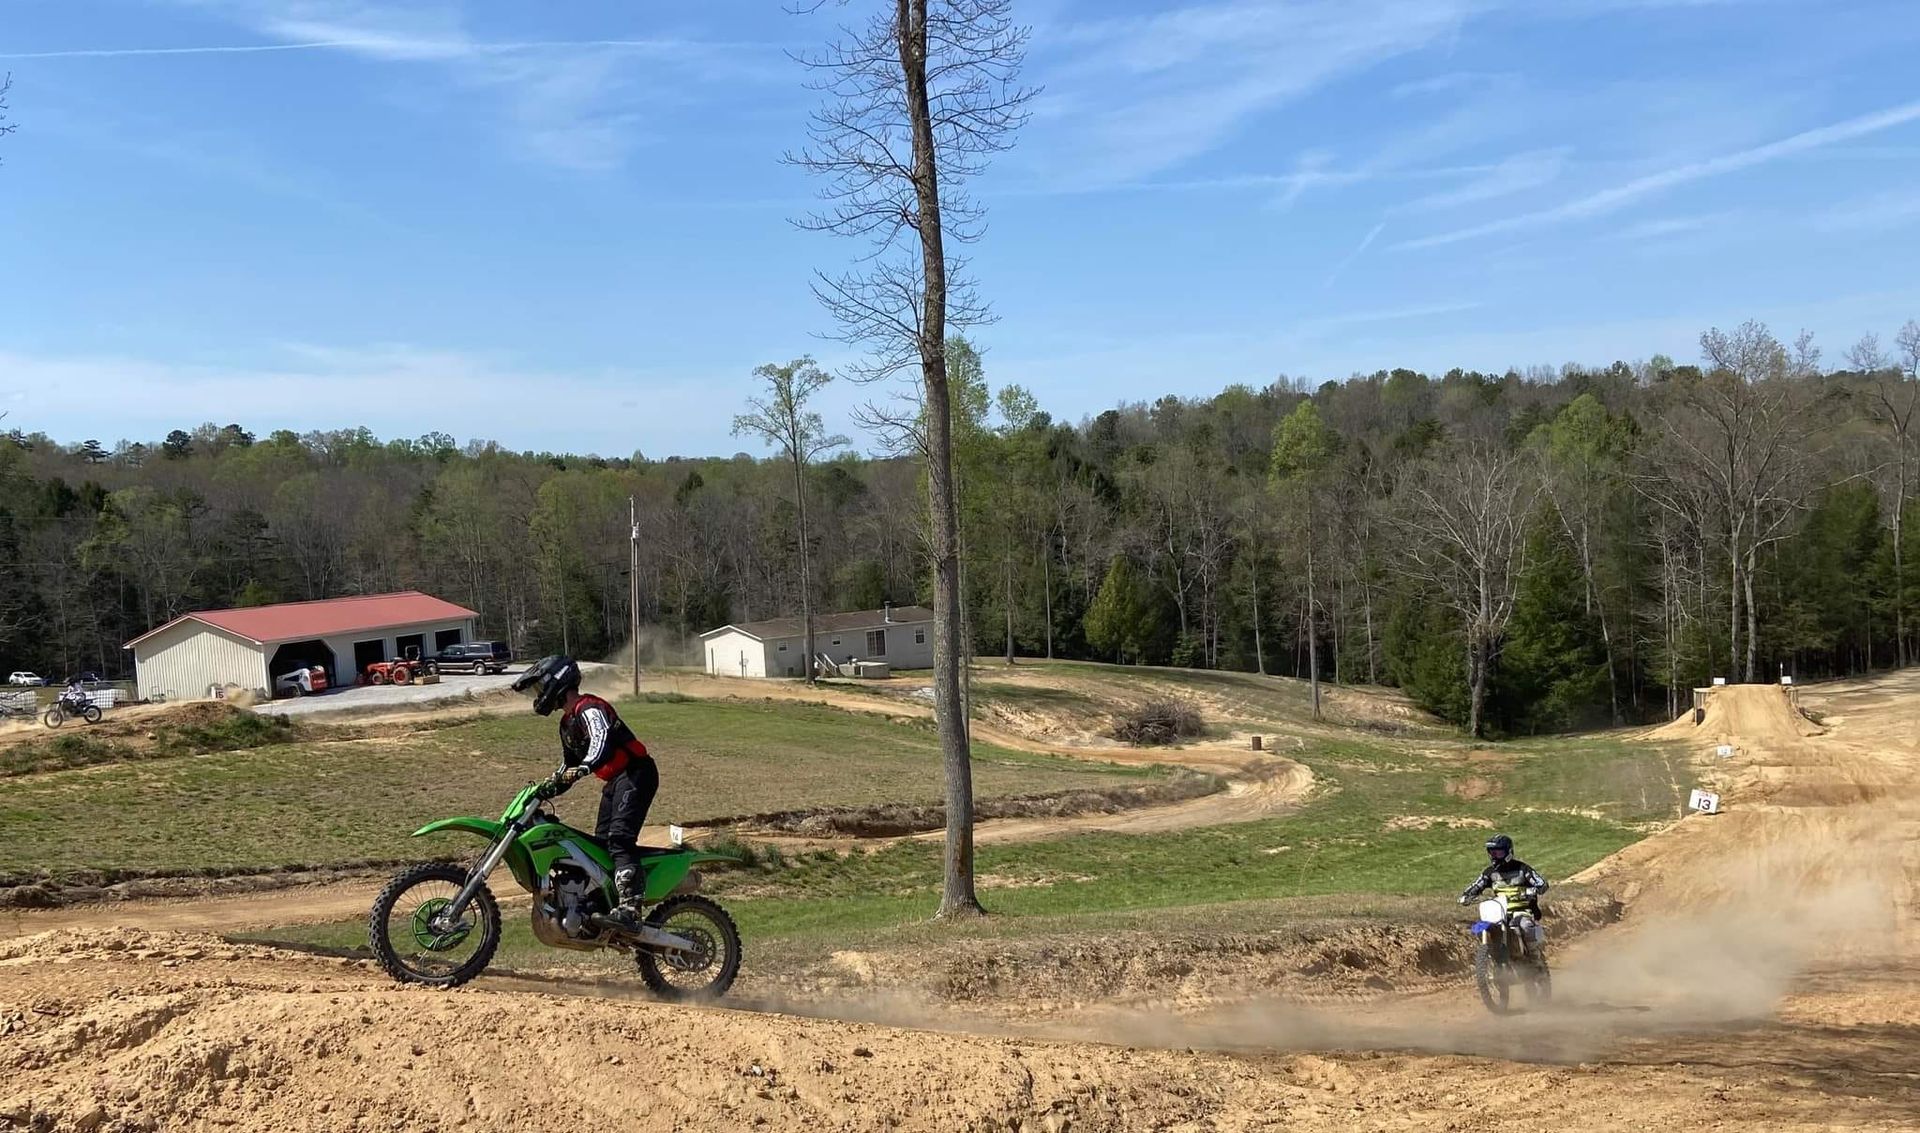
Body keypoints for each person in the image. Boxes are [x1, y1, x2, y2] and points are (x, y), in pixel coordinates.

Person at [513, 656, 659, 935]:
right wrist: (548, 787)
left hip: (636, 774)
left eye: (540, 687)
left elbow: (600, 742)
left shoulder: (589, 707)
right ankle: (603, 904)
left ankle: (630, 910)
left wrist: (584, 768)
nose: (539, 695)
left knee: (619, 838)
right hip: (616, 780)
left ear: (557, 682)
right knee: (601, 844)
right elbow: (568, 766)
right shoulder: (567, 724)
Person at [1458, 833, 1549, 957]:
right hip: (1499, 912)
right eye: (1492, 853)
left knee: (1525, 926)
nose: (1495, 857)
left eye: (1498, 853)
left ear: (1509, 852)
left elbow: (1542, 884)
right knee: (1483, 928)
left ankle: (1535, 957)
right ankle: (1488, 957)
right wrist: (1466, 896)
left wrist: (1533, 890)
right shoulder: (1490, 872)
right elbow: (1476, 885)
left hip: (1521, 911)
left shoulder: (1522, 869)